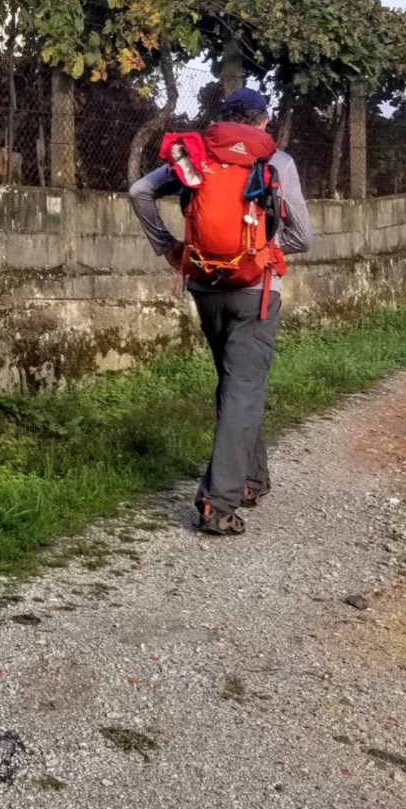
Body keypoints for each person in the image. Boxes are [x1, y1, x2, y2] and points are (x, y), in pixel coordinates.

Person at [127, 86, 312, 535]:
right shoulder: (276, 162)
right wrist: (262, 252)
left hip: (204, 285)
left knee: (236, 382)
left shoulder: (195, 156)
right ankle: (218, 502)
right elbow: (302, 237)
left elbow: (139, 192)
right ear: (263, 122)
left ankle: (252, 478)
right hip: (256, 290)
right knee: (243, 385)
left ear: (222, 119)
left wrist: (169, 247)